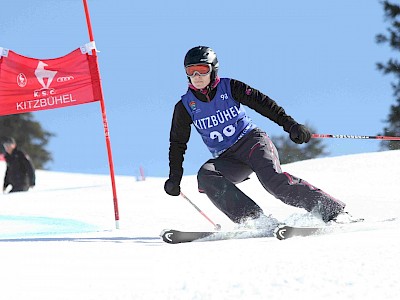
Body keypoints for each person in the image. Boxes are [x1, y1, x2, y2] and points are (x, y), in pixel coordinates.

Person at [164, 46, 347, 227]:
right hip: (228, 158)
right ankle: (255, 220)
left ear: (213, 70)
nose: (197, 76)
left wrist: (290, 125)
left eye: (203, 70)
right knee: (207, 175)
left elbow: (263, 104)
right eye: (191, 71)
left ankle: (332, 211)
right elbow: (178, 144)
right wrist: (175, 177)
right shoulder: (185, 106)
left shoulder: (230, 87)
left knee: (274, 183)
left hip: (252, 143)